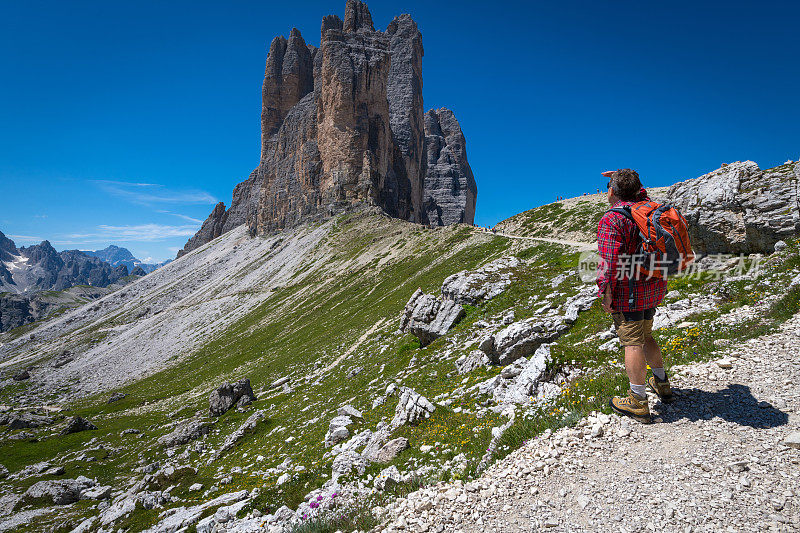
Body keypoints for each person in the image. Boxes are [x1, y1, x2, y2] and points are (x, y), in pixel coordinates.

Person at [597, 169, 672, 423]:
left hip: (628, 292)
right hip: (652, 287)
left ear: (613, 191)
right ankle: (662, 384)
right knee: (647, 334)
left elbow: (608, 262)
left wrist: (605, 293)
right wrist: (625, 177)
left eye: (609, 186)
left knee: (632, 342)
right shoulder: (647, 209)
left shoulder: (613, 218)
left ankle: (638, 400)